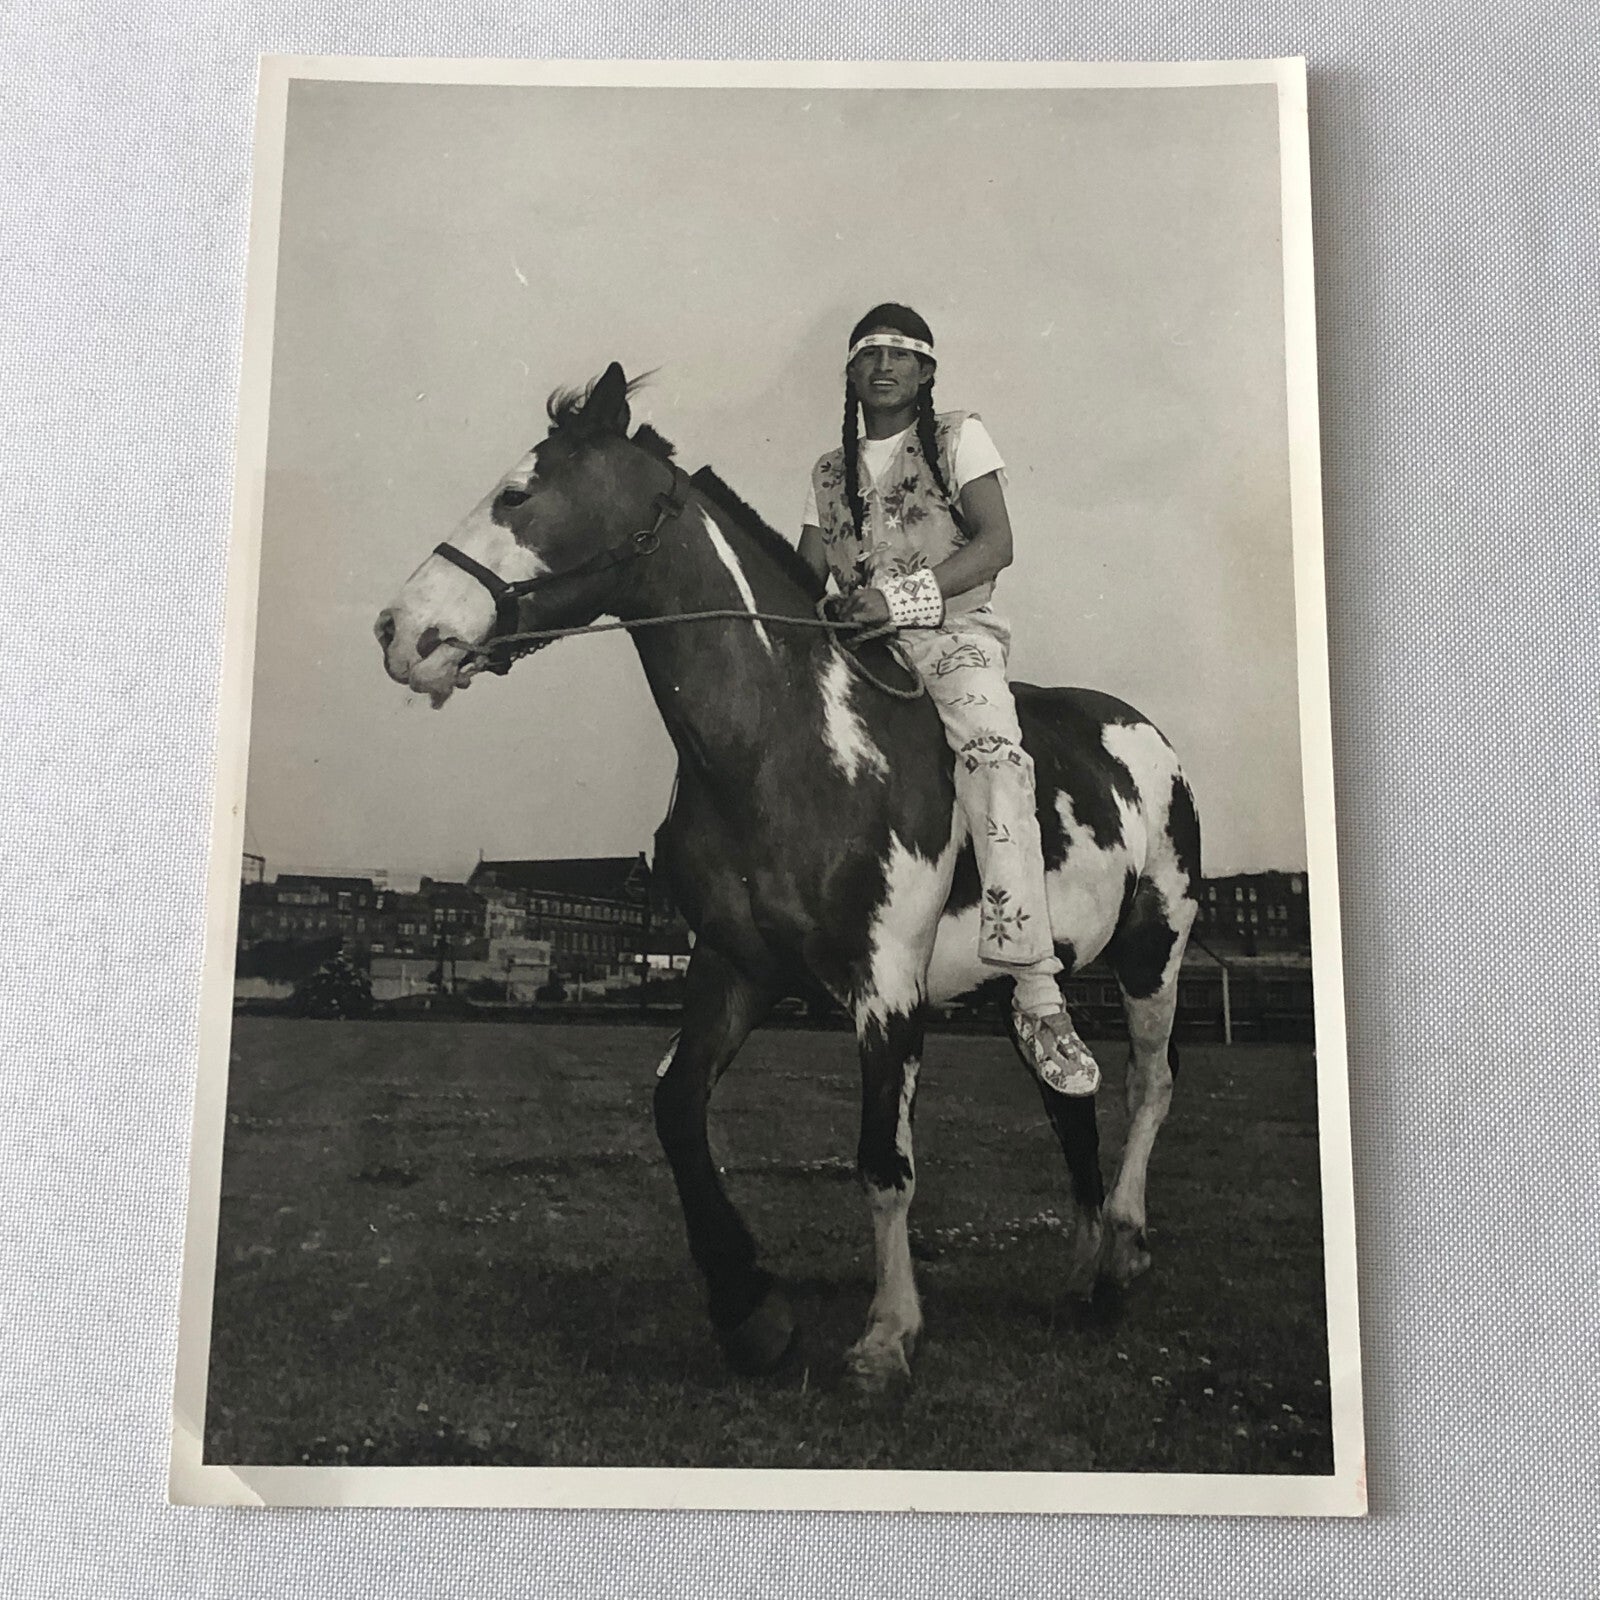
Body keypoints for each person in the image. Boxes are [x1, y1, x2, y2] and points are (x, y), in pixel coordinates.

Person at [799, 303, 1100, 1096]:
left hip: (953, 639)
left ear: (926, 372)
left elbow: (996, 546)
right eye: (870, 354)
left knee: (996, 759)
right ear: (852, 374)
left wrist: (895, 603)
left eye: (902, 354)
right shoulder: (827, 472)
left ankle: (1036, 990)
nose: (886, 365)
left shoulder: (958, 435)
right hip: (858, 653)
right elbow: (802, 582)